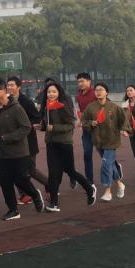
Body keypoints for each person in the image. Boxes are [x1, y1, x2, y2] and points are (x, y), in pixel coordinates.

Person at [0, 78, 45, 220]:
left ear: (5, 91)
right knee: (3, 180)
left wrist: (6, 138)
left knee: (21, 179)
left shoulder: (17, 108)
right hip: (3, 153)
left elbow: (26, 127)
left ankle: (34, 194)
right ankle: (13, 210)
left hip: (19, 152)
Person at [42, 81, 95, 211]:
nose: (51, 94)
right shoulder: (46, 107)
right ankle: (54, 203)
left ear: (59, 93)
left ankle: (89, 189)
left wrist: (54, 127)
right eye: (49, 92)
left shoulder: (63, 106)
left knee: (70, 171)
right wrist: (42, 126)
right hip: (51, 144)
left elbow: (70, 125)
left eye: (54, 92)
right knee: (53, 173)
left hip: (64, 143)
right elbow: (47, 125)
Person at [81, 82, 129, 201]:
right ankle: (119, 184)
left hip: (112, 140)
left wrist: (124, 129)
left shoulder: (114, 107)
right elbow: (84, 121)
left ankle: (107, 191)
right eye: (96, 90)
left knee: (106, 163)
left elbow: (124, 120)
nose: (98, 92)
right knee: (110, 164)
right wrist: (91, 123)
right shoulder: (91, 107)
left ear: (106, 92)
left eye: (101, 90)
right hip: (98, 140)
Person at [7, 76, 49, 205]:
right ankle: (24, 195)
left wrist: (25, 126)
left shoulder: (25, 102)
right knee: (16, 169)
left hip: (28, 141)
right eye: (8, 85)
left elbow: (37, 117)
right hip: (16, 141)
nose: (9, 87)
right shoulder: (8, 101)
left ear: (19, 87)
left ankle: (49, 184)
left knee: (30, 170)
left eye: (12, 85)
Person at [75, 72, 98, 182]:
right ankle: (89, 180)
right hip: (86, 129)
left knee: (104, 153)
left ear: (89, 81)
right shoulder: (78, 95)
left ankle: (115, 168)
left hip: (98, 129)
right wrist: (80, 120)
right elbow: (81, 111)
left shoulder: (95, 93)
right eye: (78, 82)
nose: (80, 83)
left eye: (82, 81)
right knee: (87, 153)